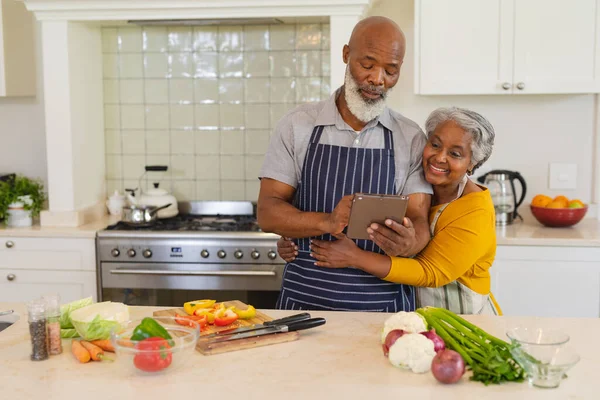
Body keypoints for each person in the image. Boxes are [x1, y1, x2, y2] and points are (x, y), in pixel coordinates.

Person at [257, 16, 433, 312]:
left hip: (384, 312)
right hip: (304, 307)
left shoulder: (411, 137)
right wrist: (327, 221)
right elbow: (267, 212)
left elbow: (419, 222)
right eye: (367, 65)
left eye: (390, 71)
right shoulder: (297, 126)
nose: (378, 79)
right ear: (345, 55)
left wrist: (409, 243)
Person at [278, 107, 501, 315]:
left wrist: (354, 257)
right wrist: (297, 238)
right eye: (435, 145)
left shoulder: (475, 210)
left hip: (465, 321)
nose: (440, 157)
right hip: (425, 317)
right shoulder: (417, 189)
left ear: (472, 163)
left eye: (455, 154)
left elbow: (430, 272)